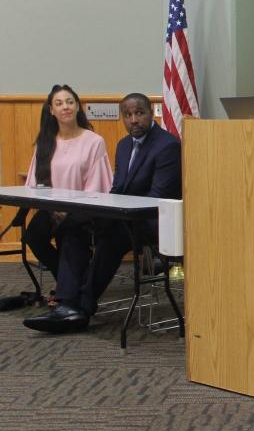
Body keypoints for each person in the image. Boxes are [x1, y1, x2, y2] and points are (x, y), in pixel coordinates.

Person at [23, 93, 182, 333]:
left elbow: (157, 197)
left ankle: (81, 307)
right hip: (123, 216)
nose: (134, 120)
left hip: (152, 220)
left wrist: (116, 214)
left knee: (112, 238)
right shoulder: (124, 145)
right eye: (127, 115)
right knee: (73, 225)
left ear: (151, 113)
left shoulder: (167, 145)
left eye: (139, 113)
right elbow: (117, 189)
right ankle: (68, 304)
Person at [22, 84, 113, 291]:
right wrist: (54, 209)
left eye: (70, 102)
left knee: (69, 236)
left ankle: (66, 292)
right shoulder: (45, 142)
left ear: (78, 107)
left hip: (83, 210)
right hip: (51, 208)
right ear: (51, 110)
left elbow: (97, 185)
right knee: (33, 236)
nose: (66, 107)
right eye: (59, 103)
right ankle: (70, 281)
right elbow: (35, 183)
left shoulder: (94, 141)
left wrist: (70, 210)